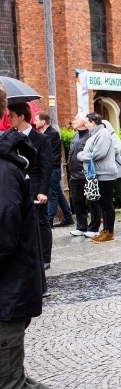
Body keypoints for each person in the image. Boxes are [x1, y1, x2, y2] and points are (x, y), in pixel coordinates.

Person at [0, 86, 121, 389]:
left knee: (7, 387)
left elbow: (4, 237)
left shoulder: (6, 166)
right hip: (9, 292)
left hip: (5, 299)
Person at [7, 103, 53, 272]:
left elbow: (46, 166)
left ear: (21, 117)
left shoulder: (41, 139)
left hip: (35, 186)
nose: (8, 118)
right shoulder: (10, 137)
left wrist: (43, 191)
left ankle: (45, 258)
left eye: (11, 115)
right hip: (17, 186)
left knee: (41, 222)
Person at [77, 113, 117, 243]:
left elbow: (99, 153)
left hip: (105, 174)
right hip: (97, 174)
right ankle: (105, 230)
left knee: (106, 204)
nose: (85, 124)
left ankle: (109, 232)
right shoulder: (94, 134)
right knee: (102, 203)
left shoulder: (103, 133)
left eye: (86, 122)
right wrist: (85, 154)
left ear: (93, 122)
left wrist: (81, 156)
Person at [35, 112, 74, 229]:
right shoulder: (46, 133)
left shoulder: (51, 134)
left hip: (52, 168)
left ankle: (49, 221)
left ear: (43, 122)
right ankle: (68, 217)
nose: (34, 122)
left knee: (52, 195)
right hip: (52, 167)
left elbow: (45, 152)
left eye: (36, 120)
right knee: (58, 194)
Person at [66, 113, 101, 238]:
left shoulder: (90, 136)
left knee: (92, 202)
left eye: (76, 119)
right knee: (78, 202)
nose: (73, 121)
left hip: (86, 174)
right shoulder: (75, 136)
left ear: (82, 122)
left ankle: (94, 228)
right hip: (74, 175)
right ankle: (81, 227)